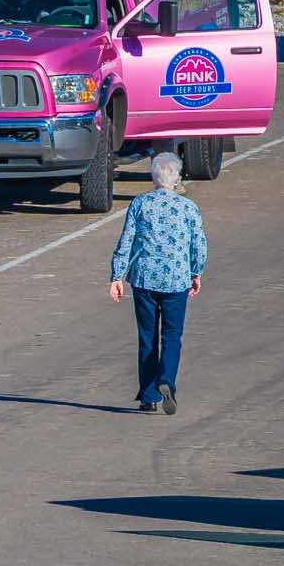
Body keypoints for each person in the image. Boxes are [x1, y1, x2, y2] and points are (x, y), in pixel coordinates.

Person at [108, 150, 207, 415]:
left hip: (144, 278)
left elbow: (126, 241)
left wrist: (117, 276)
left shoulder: (140, 204)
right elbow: (199, 244)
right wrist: (196, 272)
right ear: (176, 179)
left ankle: (149, 396)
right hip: (176, 279)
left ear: (154, 177)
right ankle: (167, 380)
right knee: (172, 335)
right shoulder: (189, 207)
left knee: (147, 337)